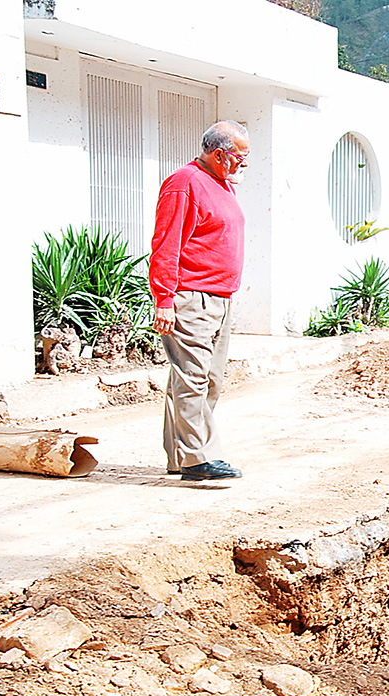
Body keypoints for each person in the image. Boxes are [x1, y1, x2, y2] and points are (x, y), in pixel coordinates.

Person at [149, 120, 249, 481]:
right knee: (191, 377)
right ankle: (198, 459)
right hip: (191, 297)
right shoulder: (184, 183)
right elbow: (165, 244)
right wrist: (164, 299)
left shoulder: (222, 185)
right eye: (241, 156)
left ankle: (181, 455)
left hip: (220, 299)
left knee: (209, 380)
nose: (245, 163)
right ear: (219, 154)